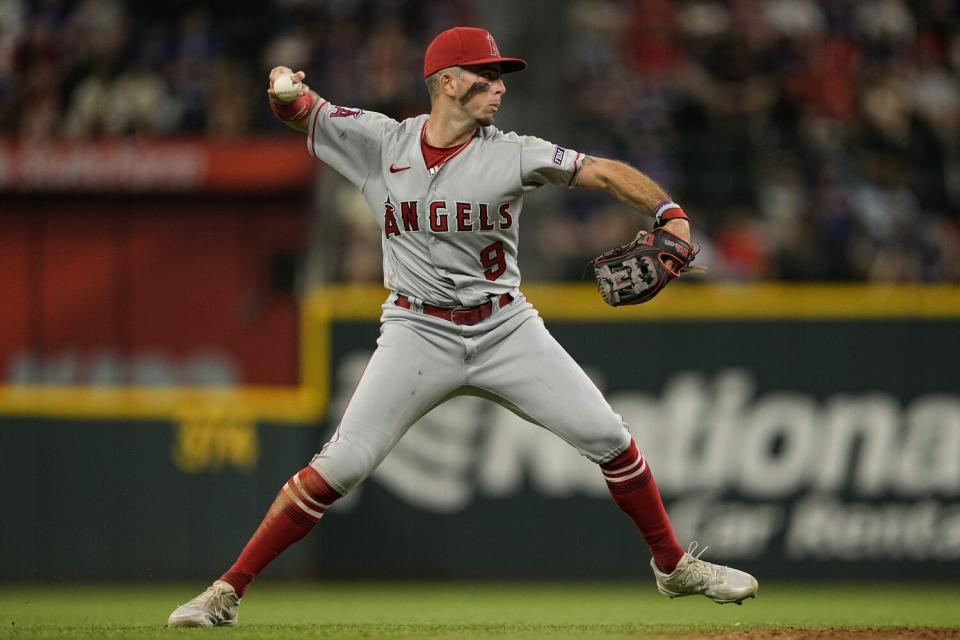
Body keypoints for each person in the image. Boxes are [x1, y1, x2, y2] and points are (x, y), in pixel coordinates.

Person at [166, 26, 758, 628]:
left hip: (505, 328)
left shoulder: (513, 151)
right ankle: (226, 591)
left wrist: (670, 213)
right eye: (486, 75)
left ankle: (673, 565)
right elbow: (301, 112)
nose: (498, 88)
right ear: (447, 82)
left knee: (610, 437)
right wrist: (282, 89)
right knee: (340, 466)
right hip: (416, 331)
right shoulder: (380, 142)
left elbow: (602, 172)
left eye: (501, 76)